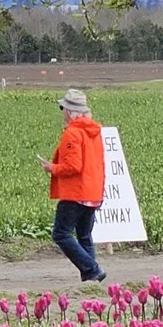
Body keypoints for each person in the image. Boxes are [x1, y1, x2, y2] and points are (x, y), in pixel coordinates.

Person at [40, 88, 108, 283]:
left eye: (63, 108)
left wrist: (52, 168)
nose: (62, 112)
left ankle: (92, 269)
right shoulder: (94, 132)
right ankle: (90, 279)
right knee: (84, 236)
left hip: (76, 193)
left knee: (61, 233)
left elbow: (73, 166)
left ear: (69, 111)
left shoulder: (73, 133)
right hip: (93, 192)